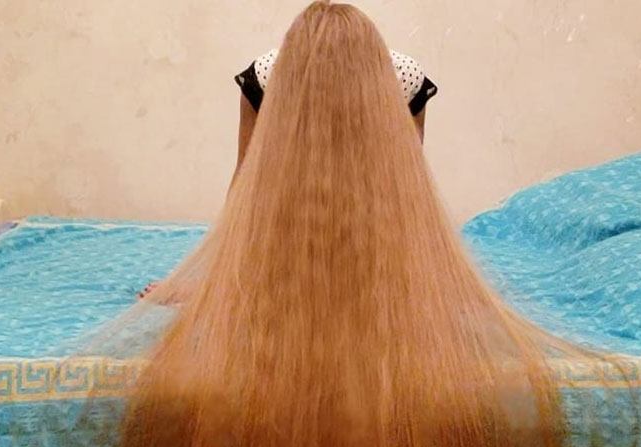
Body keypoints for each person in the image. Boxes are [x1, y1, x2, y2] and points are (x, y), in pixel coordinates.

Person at [69, 2, 609, 447]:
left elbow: (403, 199)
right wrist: (202, 283)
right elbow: (248, 192)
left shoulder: (404, 79)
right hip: (284, 246)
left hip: (372, 250)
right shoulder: (264, 75)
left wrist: (426, 287)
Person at [137, 42, 437, 299]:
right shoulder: (266, 77)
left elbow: (407, 182)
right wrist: (216, 283)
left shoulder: (403, 78)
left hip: (370, 203)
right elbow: (245, 178)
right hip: (293, 203)